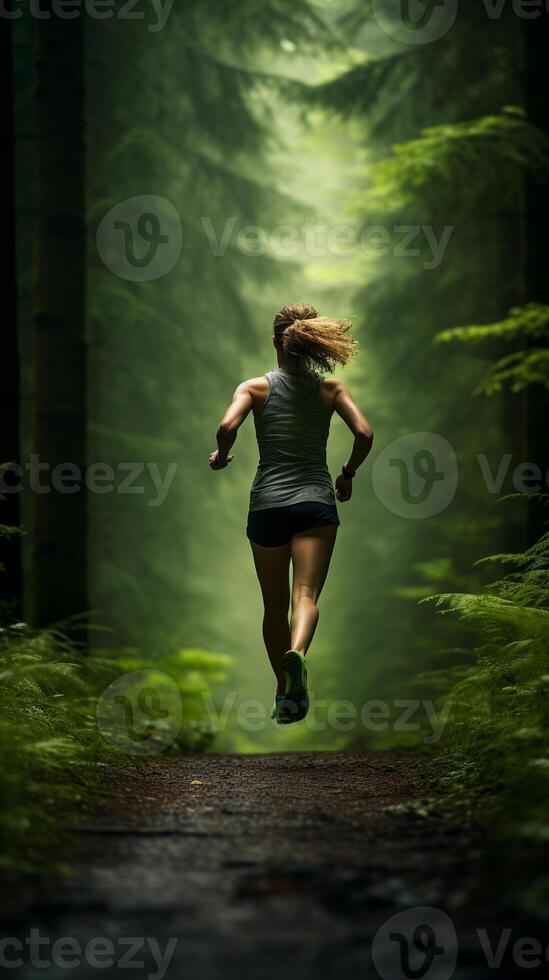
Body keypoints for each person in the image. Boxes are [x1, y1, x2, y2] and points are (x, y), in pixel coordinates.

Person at [209, 303, 373, 725]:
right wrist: (348, 473)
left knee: (273, 604)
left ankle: (284, 694)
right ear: (313, 339)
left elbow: (227, 427)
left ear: (275, 340)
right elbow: (365, 433)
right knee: (306, 596)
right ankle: (297, 654)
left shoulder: (254, 388)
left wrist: (223, 455)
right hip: (316, 503)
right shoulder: (331, 390)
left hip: (267, 506)